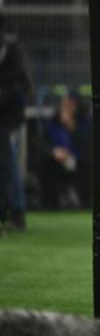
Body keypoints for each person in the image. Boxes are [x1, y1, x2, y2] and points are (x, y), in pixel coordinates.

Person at [0, 13, 30, 231]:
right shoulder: (10, 47)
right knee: (8, 164)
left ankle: (16, 211)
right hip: (9, 114)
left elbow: (19, 83)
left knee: (8, 164)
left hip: (8, 117)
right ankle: (14, 211)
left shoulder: (9, 48)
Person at [42, 92, 91, 209]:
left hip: (78, 159)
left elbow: (87, 144)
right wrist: (53, 151)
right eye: (65, 105)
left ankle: (84, 202)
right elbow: (44, 143)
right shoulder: (53, 121)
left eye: (71, 105)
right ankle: (51, 203)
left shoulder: (84, 121)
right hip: (57, 158)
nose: (68, 108)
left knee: (89, 166)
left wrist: (71, 126)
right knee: (45, 163)